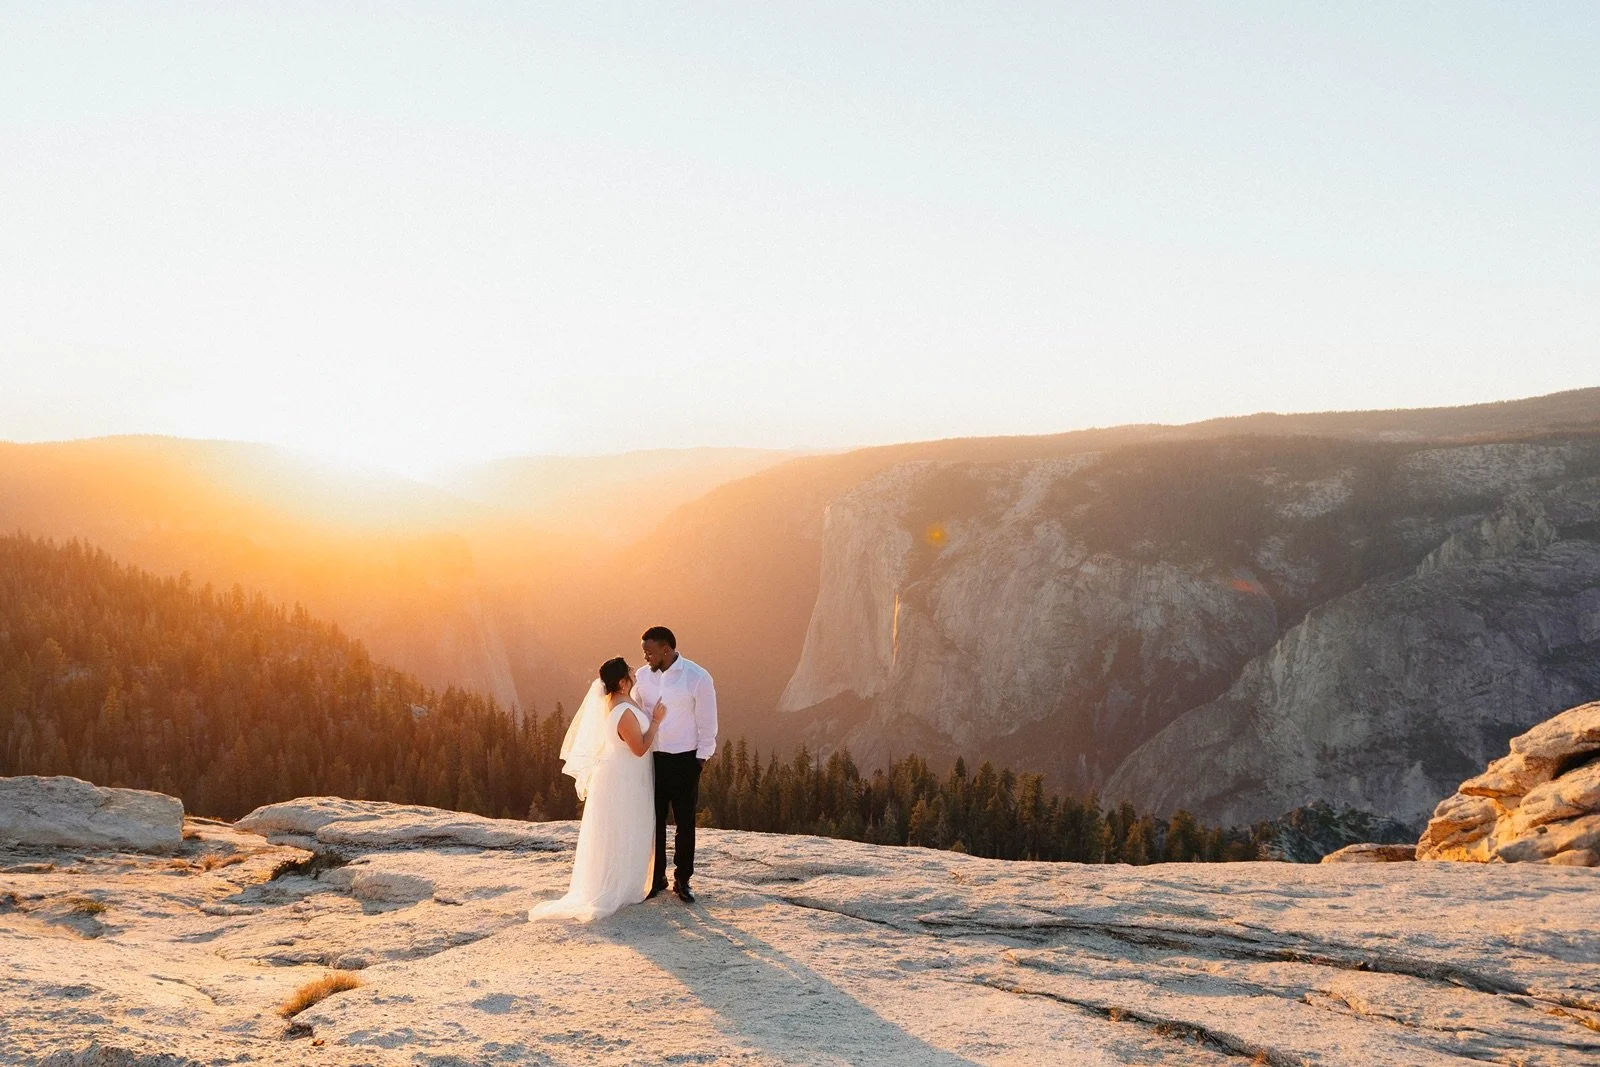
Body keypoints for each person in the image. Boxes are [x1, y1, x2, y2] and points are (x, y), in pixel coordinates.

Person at [529, 657, 667, 922]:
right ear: (622, 682)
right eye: (629, 672)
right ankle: (621, 886)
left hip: (623, 773)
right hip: (625, 777)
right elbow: (639, 749)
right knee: (627, 826)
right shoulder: (624, 710)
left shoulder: (617, 701)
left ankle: (624, 882)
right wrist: (657, 721)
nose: (633, 672)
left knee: (623, 827)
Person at [634, 625, 718, 903]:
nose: (645, 656)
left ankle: (682, 880)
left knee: (685, 822)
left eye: (649, 651)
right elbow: (637, 713)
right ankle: (656, 878)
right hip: (653, 760)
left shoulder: (697, 677)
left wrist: (701, 759)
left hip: (685, 760)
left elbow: (707, 720)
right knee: (654, 820)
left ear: (666, 650)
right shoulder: (642, 677)